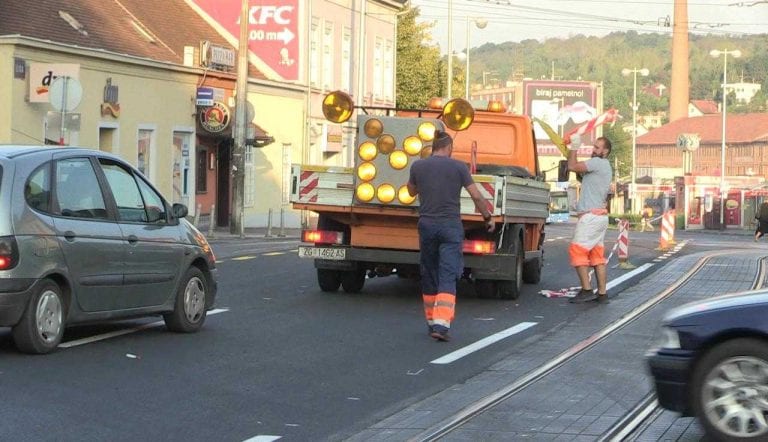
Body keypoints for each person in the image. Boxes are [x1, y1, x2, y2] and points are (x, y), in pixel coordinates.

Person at [407, 130, 495, 341]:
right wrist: (487, 217)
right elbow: (476, 195)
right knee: (448, 274)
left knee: (429, 271)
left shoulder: (418, 166)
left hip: (427, 225)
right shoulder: (458, 167)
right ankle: (441, 324)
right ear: (449, 147)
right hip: (450, 227)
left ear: (434, 146)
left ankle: (431, 321)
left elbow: (410, 191)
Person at [564, 133, 613, 304]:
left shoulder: (597, 163)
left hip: (590, 217)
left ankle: (586, 290)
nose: (594, 150)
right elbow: (580, 172)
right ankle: (602, 293)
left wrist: (574, 147)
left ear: (605, 151)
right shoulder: (605, 166)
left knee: (577, 250)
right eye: (594, 146)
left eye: (597, 147)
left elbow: (572, 166)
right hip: (600, 217)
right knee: (596, 256)